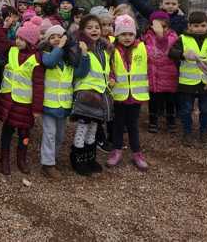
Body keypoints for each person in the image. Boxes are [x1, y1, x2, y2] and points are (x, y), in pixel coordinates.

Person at [0, 17, 45, 175]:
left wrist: (37, 108)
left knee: (24, 135)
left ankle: (21, 159)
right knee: (7, 133)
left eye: (22, 39)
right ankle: (4, 159)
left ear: (31, 42)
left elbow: (38, 85)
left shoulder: (36, 59)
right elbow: (1, 40)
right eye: (17, 37)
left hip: (25, 104)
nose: (18, 41)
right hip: (9, 102)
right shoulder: (12, 50)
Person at [169, 12, 207, 147]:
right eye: (196, 25)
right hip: (187, 83)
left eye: (203, 25)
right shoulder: (182, 39)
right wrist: (182, 54)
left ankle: (204, 133)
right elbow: (171, 53)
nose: (199, 28)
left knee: (206, 109)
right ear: (189, 26)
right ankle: (187, 133)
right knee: (186, 109)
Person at [70, 14, 112, 176]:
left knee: (94, 127)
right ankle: (77, 158)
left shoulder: (104, 48)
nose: (94, 30)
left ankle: (90, 157)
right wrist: (84, 53)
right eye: (89, 27)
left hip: (100, 93)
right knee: (83, 126)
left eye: (97, 27)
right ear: (82, 30)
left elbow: (104, 69)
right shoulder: (78, 48)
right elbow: (79, 72)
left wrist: (110, 79)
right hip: (86, 93)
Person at [39, 24, 83, 179]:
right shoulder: (46, 53)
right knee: (50, 134)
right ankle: (48, 164)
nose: (57, 39)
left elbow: (81, 72)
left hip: (64, 105)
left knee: (60, 135)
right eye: (52, 37)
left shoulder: (69, 58)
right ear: (47, 40)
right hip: (49, 104)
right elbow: (49, 62)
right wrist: (61, 46)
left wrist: (83, 54)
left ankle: (53, 158)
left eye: (59, 36)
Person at [107, 15, 149, 171]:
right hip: (119, 94)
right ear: (117, 35)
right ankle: (116, 151)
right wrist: (111, 77)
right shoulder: (112, 49)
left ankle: (137, 153)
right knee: (118, 124)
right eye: (123, 34)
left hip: (136, 96)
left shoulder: (142, 47)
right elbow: (109, 67)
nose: (127, 37)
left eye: (130, 34)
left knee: (133, 125)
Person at [142, 11, 179, 133]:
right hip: (153, 74)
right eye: (157, 26)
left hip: (168, 74)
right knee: (153, 100)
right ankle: (153, 121)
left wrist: (160, 35)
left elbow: (165, 48)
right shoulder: (146, 36)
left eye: (164, 26)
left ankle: (171, 122)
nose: (160, 29)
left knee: (170, 100)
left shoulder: (173, 37)